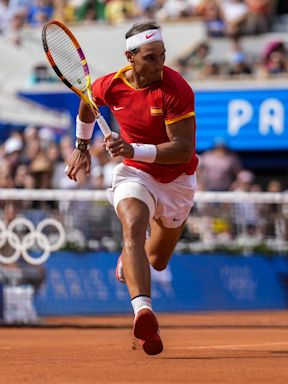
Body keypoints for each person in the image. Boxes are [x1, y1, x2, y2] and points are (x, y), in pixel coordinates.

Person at [65, 21, 198, 356]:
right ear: (131, 57)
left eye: (162, 56)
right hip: (135, 174)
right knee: (133, 225)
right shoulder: (111, 85)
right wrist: (82, 147)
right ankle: (143, 311)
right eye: (151, 58)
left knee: (158, 258)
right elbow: (87, 101)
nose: (159, 65)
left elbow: (183, 149)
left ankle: (131, 257)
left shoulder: (176, 89)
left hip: (176, 180)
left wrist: (132, 148)